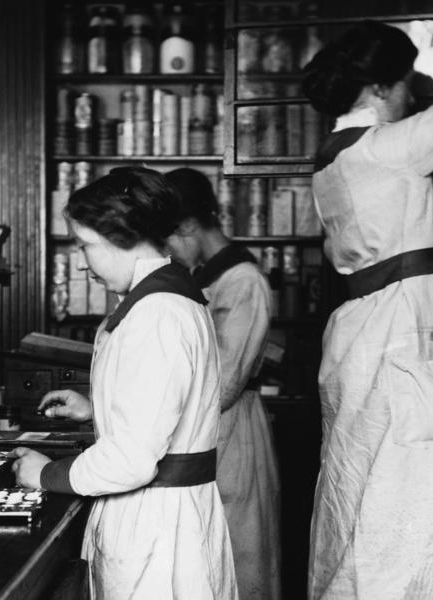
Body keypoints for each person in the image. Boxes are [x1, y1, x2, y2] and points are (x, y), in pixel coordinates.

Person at [300, 22, 433, 599]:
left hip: (362, 332)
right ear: (379, 88)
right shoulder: (384, 150)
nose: (411, 96)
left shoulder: (333, 159)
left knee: (360, 493)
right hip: (396, 337)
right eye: (404, 85)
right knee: (404, 504)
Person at [10, 166, 238, 600]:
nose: (83, 260)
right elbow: (167, 406)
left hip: (156, 526)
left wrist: (46, 474)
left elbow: (132, 461)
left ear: (122, 238)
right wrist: (98, 407)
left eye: (86, 245)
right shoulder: (163, 301)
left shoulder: (156, 315)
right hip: (164, 518)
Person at [165, 167, 282, 600]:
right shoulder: (208, 278)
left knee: (240, 554)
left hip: (234, 433)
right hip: (212, 430)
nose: (170, 253)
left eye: (171, 239)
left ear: (191, 225)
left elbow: (227, 383)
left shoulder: (243, 280)